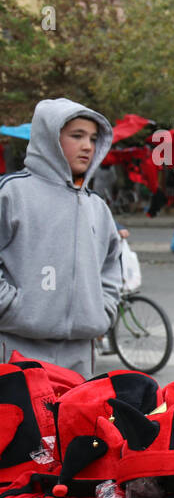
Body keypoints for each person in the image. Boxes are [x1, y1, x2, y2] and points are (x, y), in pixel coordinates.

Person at [0, 98, 121, 376]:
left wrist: (102, 312)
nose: (87, 146)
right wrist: (12, 308)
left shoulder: (97, 207)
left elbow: (112, 266)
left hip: (80, 356)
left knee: (72, 421)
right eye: (76, 136)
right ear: (49, 138)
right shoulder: (11, 193)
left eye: (92, 138)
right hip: (18, 351)